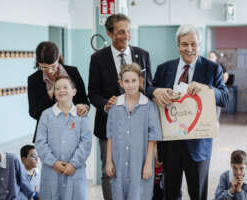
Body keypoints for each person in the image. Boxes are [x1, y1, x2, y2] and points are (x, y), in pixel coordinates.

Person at [146, 24, 229, 200]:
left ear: (200, 45)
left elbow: (225, 98)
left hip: (198, 144)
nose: (189, 49)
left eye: (194, 44)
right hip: (170, 143)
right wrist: (155, 92)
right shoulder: (164, 68)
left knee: (197, 194)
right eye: (184, 44)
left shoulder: (212, 69)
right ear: (178, 45)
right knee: (171, 193)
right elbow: (147, 88)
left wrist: (207, 89)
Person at [88, 13, 152, 200]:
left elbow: (149, 87)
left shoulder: (143, 55)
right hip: (109, 126)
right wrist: (105, 104)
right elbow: (92, 93)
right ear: (109, 33)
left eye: (128, 31)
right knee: (110, 171)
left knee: (137, 168)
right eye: (121, 32)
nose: (126, 36)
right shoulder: (98, 59)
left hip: (138, 125)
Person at [105, 63, 162, 200]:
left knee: (139, 194)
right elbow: (110, 135)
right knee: (119, 192)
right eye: (126, 81)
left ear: (140, 81)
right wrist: (108, 161)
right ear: (121, 83)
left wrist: (148, 163)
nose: (130, 85)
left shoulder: (149, 106)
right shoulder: (115, 106)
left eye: (134, 81)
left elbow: (153, 137)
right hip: (119, 160)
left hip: (140, 162)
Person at [35, 76, 92, 200]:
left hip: (75, 171)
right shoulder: (46, 115)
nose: (61, 90)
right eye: (57, 88)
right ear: (54, 93)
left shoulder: (82, 116)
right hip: (51, 171)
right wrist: (53, 162)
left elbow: (86, 143)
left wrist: (74, 164)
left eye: (65, 87)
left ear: (74, 91)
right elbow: (40, 142)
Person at [28, 41, 90, 143]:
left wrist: (84, 107)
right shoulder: (33, 80)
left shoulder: (73, 72)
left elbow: (84, 100)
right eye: (44, 67)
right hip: (47, 136)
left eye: (53, 66)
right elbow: (34, 113)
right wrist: (49, 95)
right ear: (38, 63)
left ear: (58, 58)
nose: (50, 71)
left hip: (73, 131)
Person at [208, 50, 229, 121]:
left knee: (216, 110)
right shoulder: (206, 66)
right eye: (209, 57)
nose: (210, 58)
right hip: (208, 91)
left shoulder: (220, 66)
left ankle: (216, 124)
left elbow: (226, 76)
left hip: (217, 91)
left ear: (216, 58)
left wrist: (220, 84)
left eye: (212, 57)